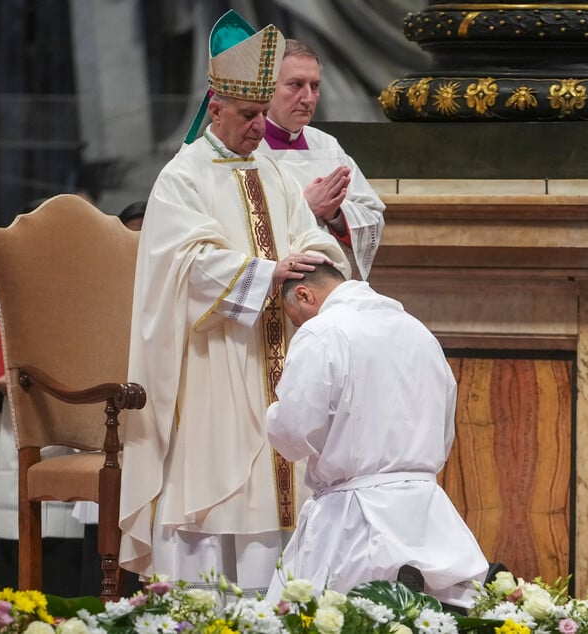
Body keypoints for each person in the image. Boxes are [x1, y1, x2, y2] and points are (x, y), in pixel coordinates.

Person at [119, 10, 349, 595]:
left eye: (258, 115)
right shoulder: (182, 177)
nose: (256, 127)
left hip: (279, 358)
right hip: (216, 362)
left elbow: (314, 237)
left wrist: (307, 265)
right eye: (248, 116)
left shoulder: (271, 172)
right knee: (216, 495)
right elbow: (183, 264)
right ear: (215, 107)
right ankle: (203, 609)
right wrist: (266, 272)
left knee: (282, 496)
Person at [265, 263, 488, 608]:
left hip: (354, 522)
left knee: (337, 618)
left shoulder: (322, 331)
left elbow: (293, 431)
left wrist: (271, 414)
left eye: (296, 319)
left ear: (305, 295)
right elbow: (445, 426)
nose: (299, 326)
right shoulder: (418, 332)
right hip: (426, 514)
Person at [0, 302, 90, 596]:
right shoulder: (2, 300)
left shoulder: (81, 295)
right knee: (9, 604)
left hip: (68, 457)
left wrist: (24, 386)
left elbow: (90, 373)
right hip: (13, 452)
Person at [257, 39, 384, 280]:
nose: (308, 97)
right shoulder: (248, 147)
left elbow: (372, 215)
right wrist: (305, 207)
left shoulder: (327, 146)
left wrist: (335, 214)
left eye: (314, 86)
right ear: (267, 88)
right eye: (295, 85)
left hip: (329, 285)